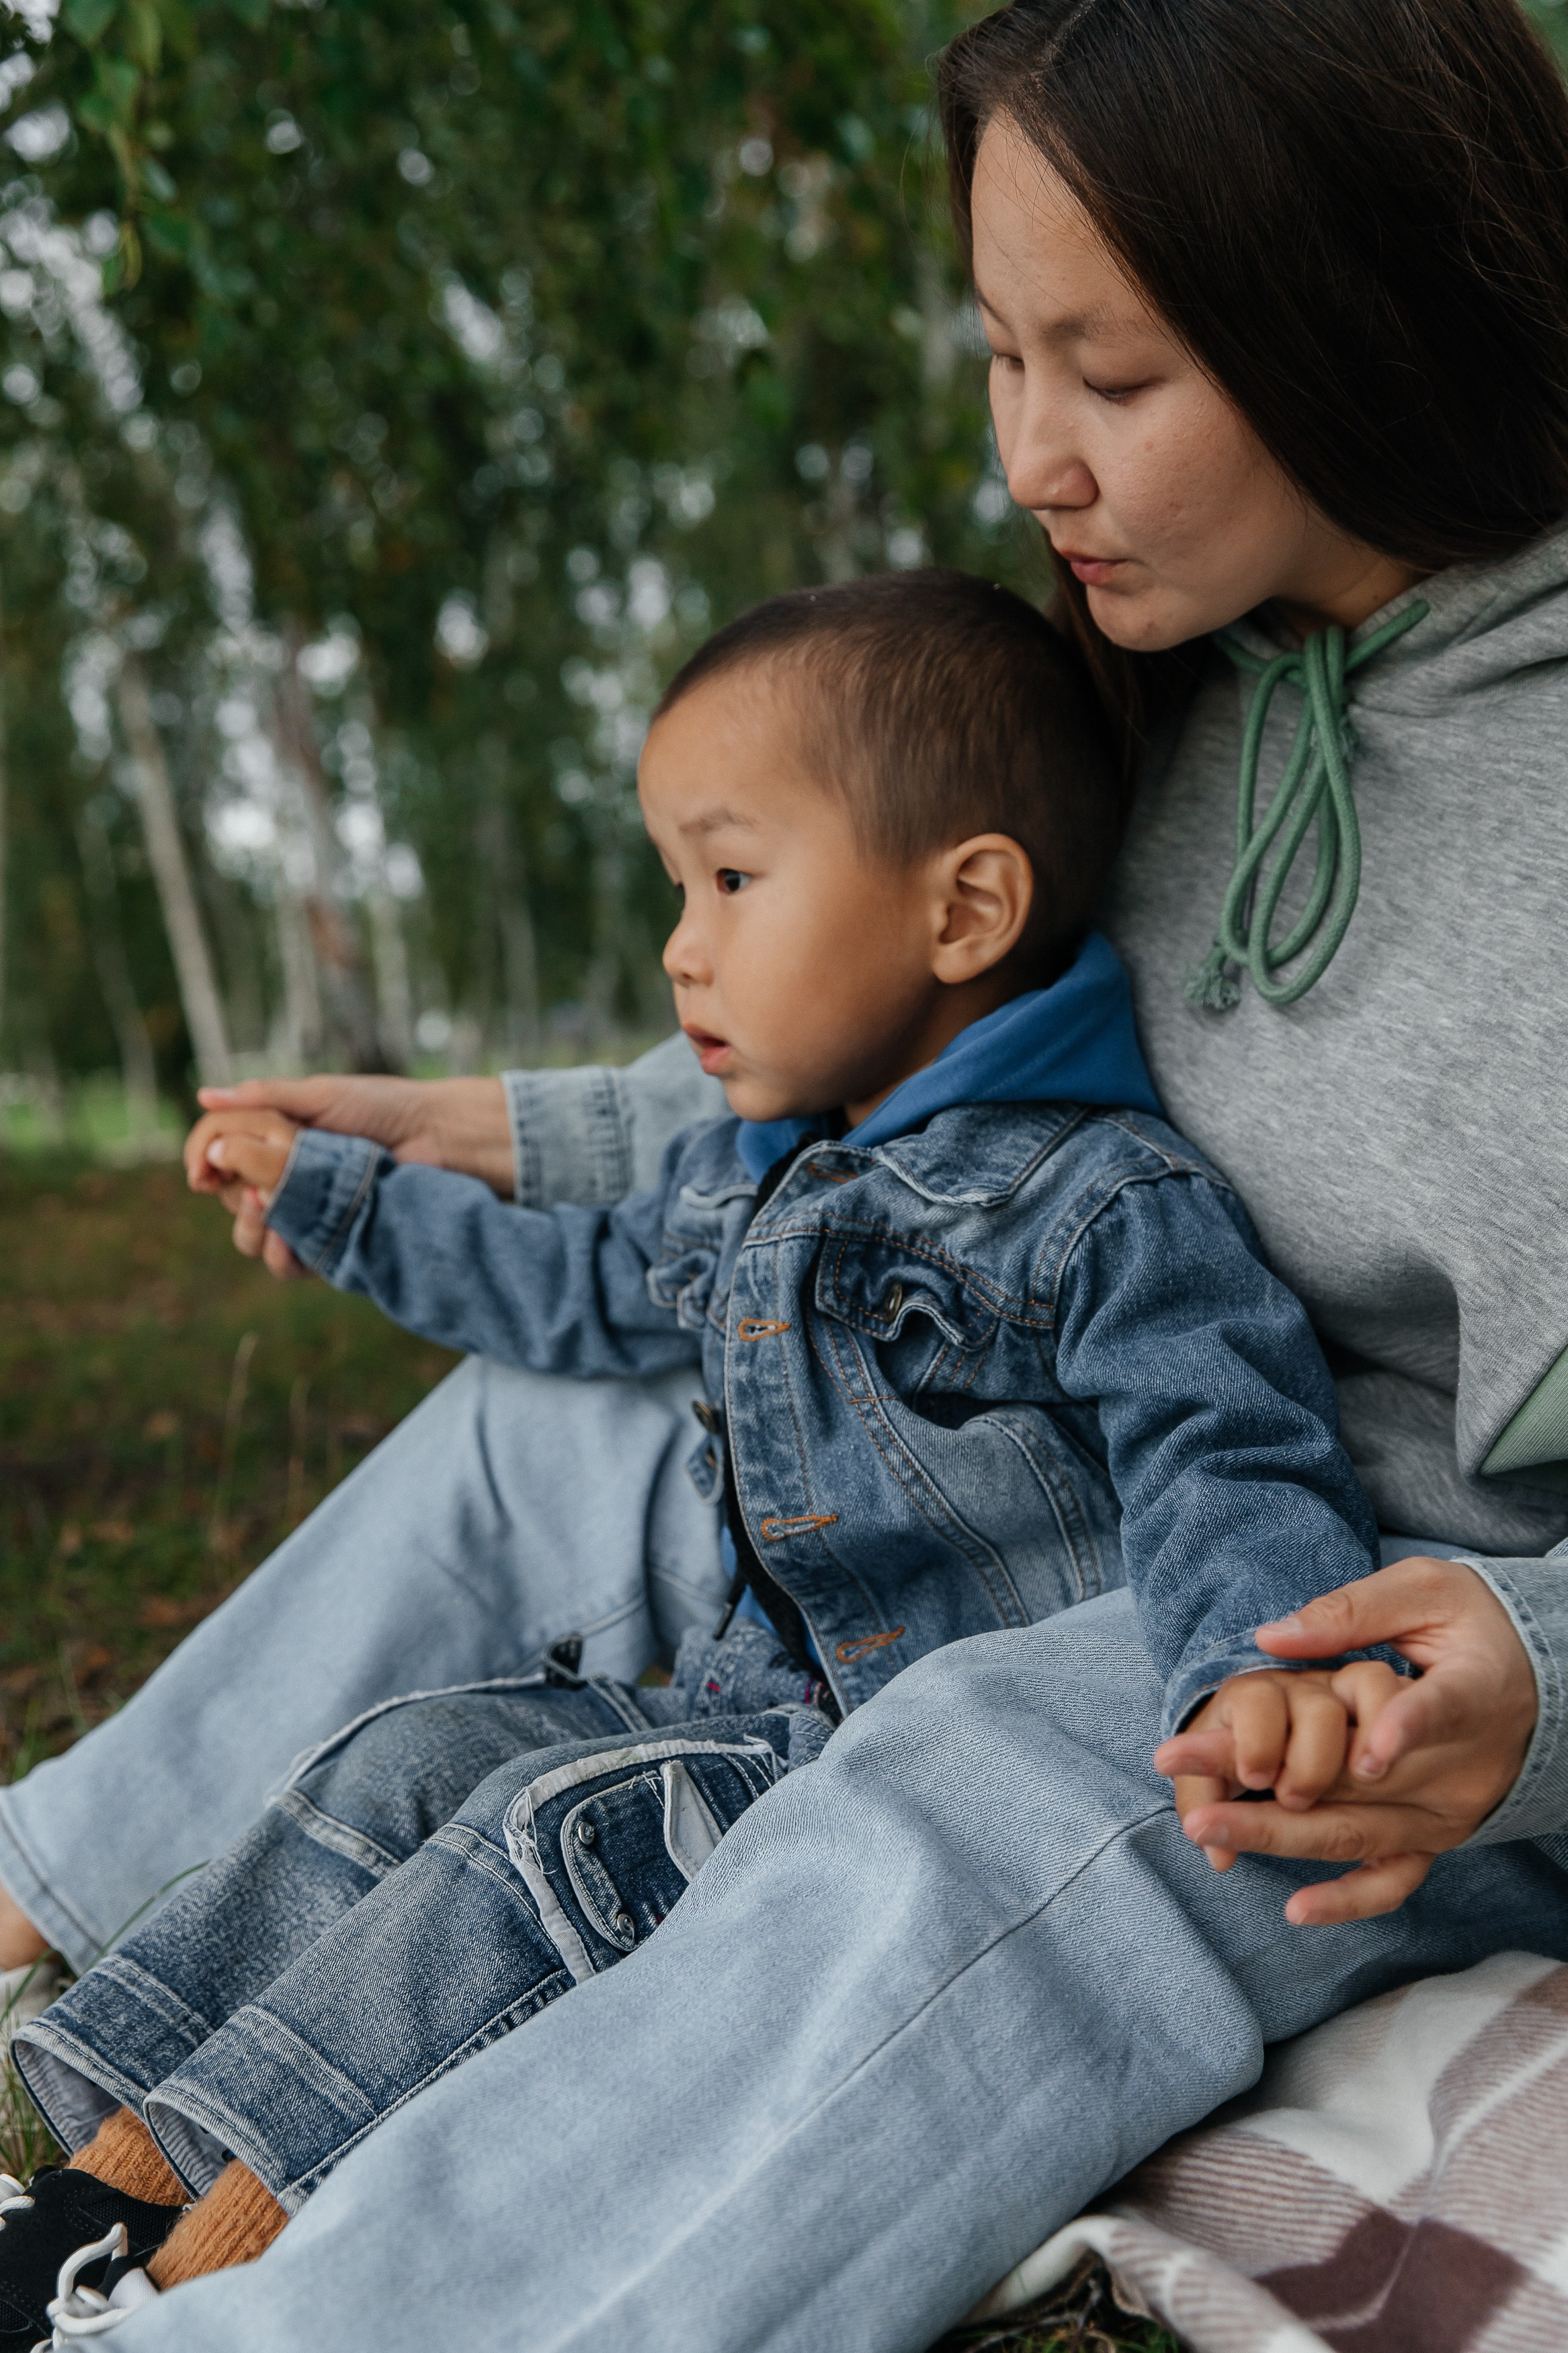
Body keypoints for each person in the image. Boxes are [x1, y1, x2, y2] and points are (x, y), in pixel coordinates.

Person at [1, 0, 1567, 2344]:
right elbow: (902, 1102)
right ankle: (45, 1903)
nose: (1033, 453)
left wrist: (1535, 1671)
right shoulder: (1180, 666)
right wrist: (476, 1127)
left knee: (992, 1768)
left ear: (1356, 306)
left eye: (1111, 376)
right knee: (584, 1410)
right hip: (1046, 1458)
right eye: (1001, 352)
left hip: (1352, 1684)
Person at [2, 569, 1399, 2342]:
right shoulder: (758, 1169)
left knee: (536, 1839)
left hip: (896, 1780)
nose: (683, 945)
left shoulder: (1105, 1202)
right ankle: (93, 2183)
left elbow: (1230, 1453)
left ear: (965, 907)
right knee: (414, 1752)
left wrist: (1252, 1670)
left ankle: (202, 2264)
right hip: (739, 1715)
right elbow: (571, 1289)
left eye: (731, 878)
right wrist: (344, 1199)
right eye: (684, 885)